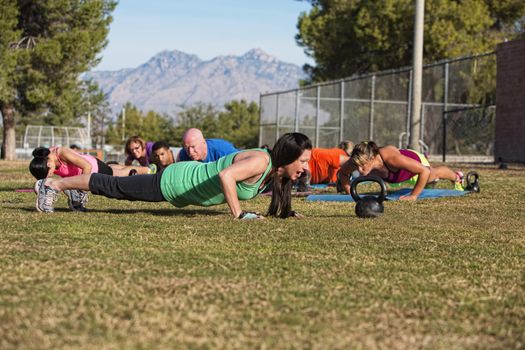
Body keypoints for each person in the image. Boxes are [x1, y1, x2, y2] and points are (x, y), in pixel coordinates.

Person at [33, 133, 313, 219]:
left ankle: (71, 191)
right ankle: (53, 184)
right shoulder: (261, 161)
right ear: (288, 157)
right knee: (113, 185)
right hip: (175, 182)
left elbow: (280, 188)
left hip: (181, 184)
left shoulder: (276, 172)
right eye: (302, 161)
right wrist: (239, 214)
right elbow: (226, 176)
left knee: (113, 184)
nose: (305, 168)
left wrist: (284, 212)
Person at [29, 146, 153, 211]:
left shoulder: (62, 153)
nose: (50, 175)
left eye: (49, 173)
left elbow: (86, 167)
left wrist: (81, 190)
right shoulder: (44, 160)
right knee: (114, 169)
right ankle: (114, 165)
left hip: (93, 167)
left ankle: (148, 170)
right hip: (85, 170)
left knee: (118, 175)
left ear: (49, 164)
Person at [337, 141, 464, 200]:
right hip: (396, 176)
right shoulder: (359, 158)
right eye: (357, 165)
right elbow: (342, 173)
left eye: (363, 165)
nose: (359, 169)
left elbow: (423, 171)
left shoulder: (391, 159)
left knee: (432, 176)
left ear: (372, 158)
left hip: (415, 164)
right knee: (428, 182)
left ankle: (457, 177)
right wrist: (350, 193)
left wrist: (413, 196)